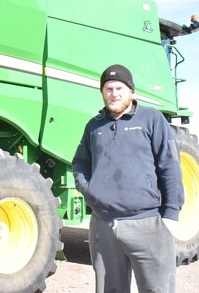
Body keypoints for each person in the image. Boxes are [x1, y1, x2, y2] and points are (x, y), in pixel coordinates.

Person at [72, 64, 184, 293]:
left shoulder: (152, 119)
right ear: (102, 93)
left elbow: (169, 165)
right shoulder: (94, 126)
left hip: (147, 224)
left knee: (157, 289)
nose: (114, 94)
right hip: (103, 226)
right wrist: (90, 191)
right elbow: (80, 163)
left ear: (131, 91)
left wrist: (171, 213)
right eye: (108, 89)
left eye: (119, 88)